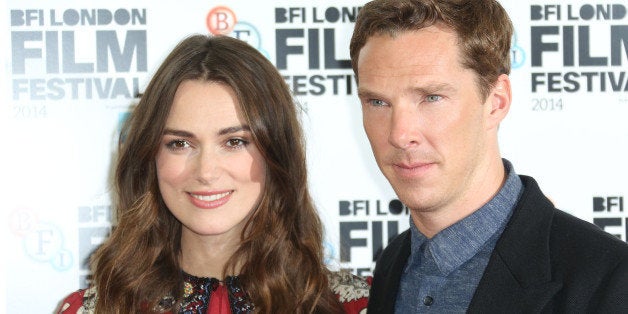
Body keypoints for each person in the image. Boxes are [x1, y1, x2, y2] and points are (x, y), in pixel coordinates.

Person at [349, 0, 628, 313]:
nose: (400, 134)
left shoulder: (611, 279)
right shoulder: (392, 264)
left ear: (496, 102)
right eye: (377, 102)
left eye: (432, 97)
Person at [57, 34, 369, 313]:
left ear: (276, 154)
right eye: (179, 143)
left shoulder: (353, 306)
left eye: (234, 142)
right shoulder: (94, 309)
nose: (206, 172)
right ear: (150, 156)